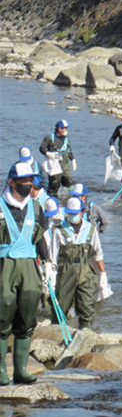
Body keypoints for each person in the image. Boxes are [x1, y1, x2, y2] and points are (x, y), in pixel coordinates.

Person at [1, 162, 56, 385]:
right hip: (4, 265)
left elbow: (40, 236)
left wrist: (48, 263)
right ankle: (1, 371)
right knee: (2, 312)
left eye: (30, 181)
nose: (28, 184)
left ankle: (21, 370)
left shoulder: (36, 207)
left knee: (27, 313)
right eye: (23, 181)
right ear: (12, 182)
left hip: (29, 266)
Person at [50, 197, 106, 330]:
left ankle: (85, 334)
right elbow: (53, 256)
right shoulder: (59, 230)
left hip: (87, 271)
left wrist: (102, 274)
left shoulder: (91, 229)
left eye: (76, 213)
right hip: (65, 272)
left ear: (82, 212)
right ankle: (57, 334)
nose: (73, 216)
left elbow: (98, 253)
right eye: (70, 213)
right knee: (60, 306)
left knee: (86, 307)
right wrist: (51, 277)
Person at [39, 119, 76, 196]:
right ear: (59, 129)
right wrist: (48, 153)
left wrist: (73, 160)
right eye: (65, 128)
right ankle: (52, 201)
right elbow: (41, 148)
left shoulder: (66, 139)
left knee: (70, 185)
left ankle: (69, 201)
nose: (67, 130)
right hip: (54, 167)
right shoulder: (49, 138)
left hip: (65, 167)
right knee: (54, 186)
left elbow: (69, 151)